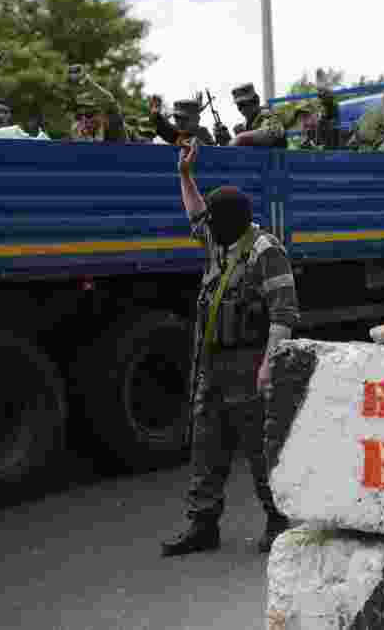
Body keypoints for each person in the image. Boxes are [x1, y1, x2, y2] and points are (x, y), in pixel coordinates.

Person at [162, 139, 297, 557]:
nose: (205, 228)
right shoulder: (220, 240)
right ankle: (203, 525)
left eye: (213, 223)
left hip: (249, 359)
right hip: (214, 361)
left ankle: (279, 520)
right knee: (206, 444)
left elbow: (284, 312)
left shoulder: (264, 250)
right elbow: (196, 213)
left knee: (258, 445)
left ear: (233, 222)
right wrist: (186, 176)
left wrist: (268, 365)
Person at [67, 65, 127, 142]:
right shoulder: (76, 91)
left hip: (111, 117)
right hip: (98, 116)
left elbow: (108, 104)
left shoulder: (94, 89)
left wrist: (98, 119)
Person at [214, 82, 286, 148]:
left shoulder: (268, 116)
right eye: (238, 105)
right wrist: (226, 141)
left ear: (256, 101)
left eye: (244, 104)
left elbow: (273, 132)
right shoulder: (243, 127)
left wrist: (238, 139)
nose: (240, 108)